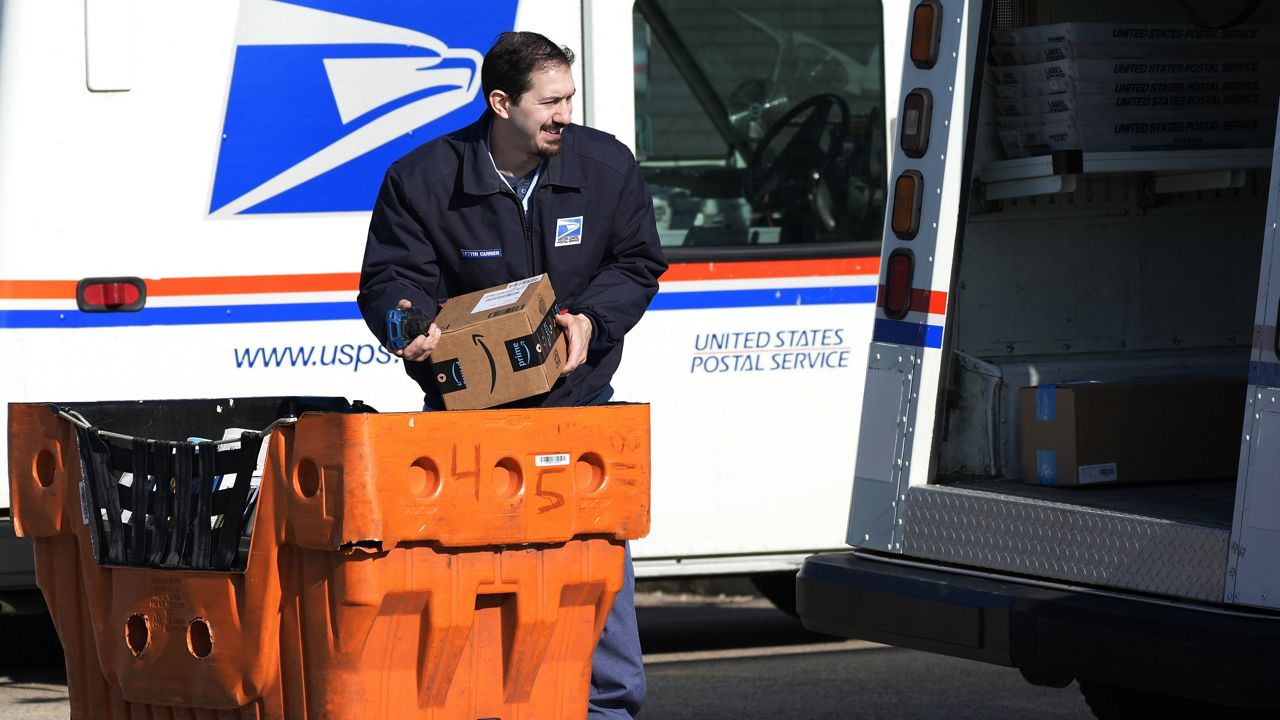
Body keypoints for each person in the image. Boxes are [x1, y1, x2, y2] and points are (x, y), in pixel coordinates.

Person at [356, 31, 666, 719]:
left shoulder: (606, 165)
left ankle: (607, 709)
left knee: (593, 568)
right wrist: (408, 325)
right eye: (549, 102)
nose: (564, 115)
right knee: (480, 583)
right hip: (471, 425)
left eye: (569, 99)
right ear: (501, 103)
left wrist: (592, 319)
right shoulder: (424, 179)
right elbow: (391, 279)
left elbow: (638, 262)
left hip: (577, 411)